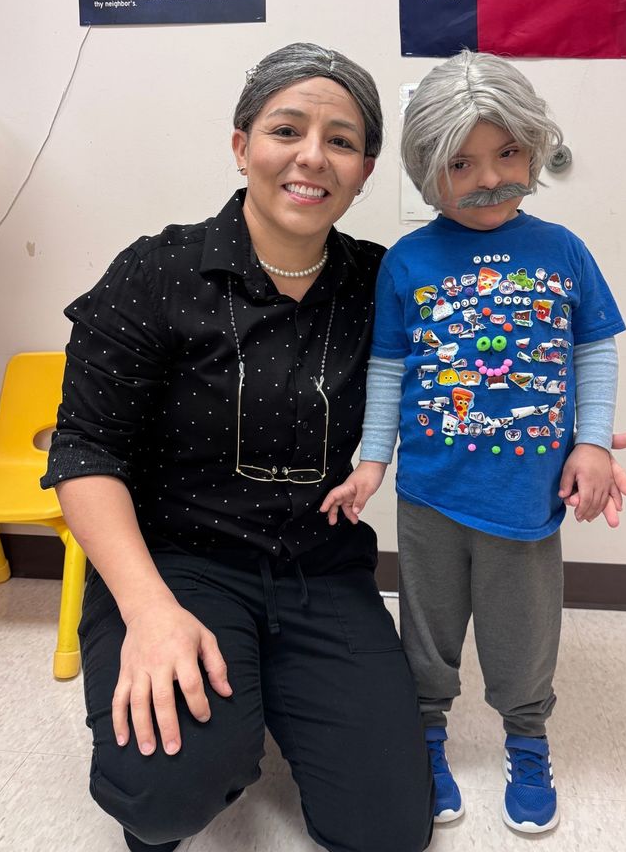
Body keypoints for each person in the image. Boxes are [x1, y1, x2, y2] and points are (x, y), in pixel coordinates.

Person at [40, 43, 437, 852]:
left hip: (318, 567)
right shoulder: (157, 272)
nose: (311, 156)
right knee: (161, 798)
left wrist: (552, 434)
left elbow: (457, 391)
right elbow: (84, 450)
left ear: (363, 171)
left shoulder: (384, 285)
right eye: (286, 130)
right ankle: (212, 718)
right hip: (175, 562)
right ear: (241, 145)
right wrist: (148, 612)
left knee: (386, 830)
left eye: (341, 141)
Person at [320, 51, 626, 835]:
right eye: (461, 163)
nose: (489, 178)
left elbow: (594, 348)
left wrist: (592, 443)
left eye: (507, 153)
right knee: (426, 628)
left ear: (534, 148)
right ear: (427, 171)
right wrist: (371, 461)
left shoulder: (562, 250)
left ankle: (526, 738)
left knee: (522, 634)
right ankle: (425, 736)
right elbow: (387, 368)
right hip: (430, 491)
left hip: (527, 496)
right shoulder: (407, 262)